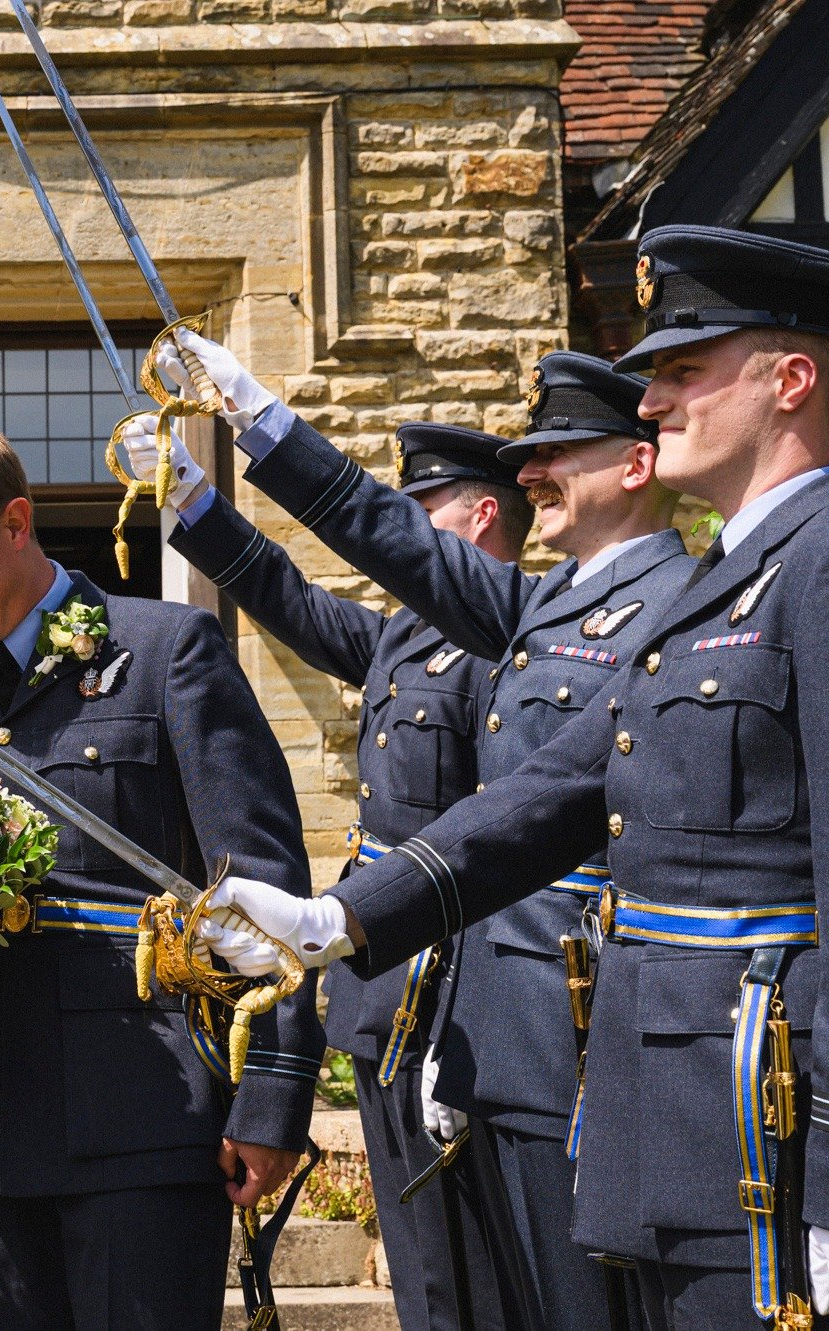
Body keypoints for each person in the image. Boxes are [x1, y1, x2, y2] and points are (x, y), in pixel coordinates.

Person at [198, 224, 829, 1330]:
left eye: (683, 370)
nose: (651, 401)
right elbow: (551, 794)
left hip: (761, 1123)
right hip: (662, 1123)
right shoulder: (717, 579)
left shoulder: (812, 563)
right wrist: (333, 917)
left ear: (789, 379)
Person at [151, 338, 693, 1329]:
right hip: (471, 1003)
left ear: (634, 462)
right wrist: (230, 453)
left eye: (556, 450)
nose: (530, 470)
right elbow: (344, 566)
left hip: (592, 1018)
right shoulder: (542, 607)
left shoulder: (667, 603)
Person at [0, 419, 324, 1331]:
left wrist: (273, 1094)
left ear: (15, 523)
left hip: (143, 1118)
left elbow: (264, 888)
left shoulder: (168, 653)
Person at [125, 413, 527, 1331]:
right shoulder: (403, 637)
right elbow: (289, 598)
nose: (398, 542)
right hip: (379, 992)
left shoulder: (512, 638)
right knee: (425, 1265)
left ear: (481, 520)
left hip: (459, 991)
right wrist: (191, 499)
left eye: (419, 518)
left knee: (482, 1269)